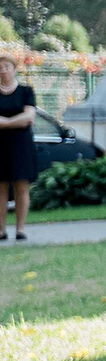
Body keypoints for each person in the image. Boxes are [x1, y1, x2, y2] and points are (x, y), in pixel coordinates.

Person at [0, 53, 35, 239]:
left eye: (7, 66)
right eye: (0, 68)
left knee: (21, 186)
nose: (3, 70)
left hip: (21, 146)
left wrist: (5, 122)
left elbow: (29, 117)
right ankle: (1, 230)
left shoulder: (26, 91)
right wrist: (17, 121)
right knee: (1, 188)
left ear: (14, 69)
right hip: (0, 146)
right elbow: (23, 119)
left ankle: (20, 229)